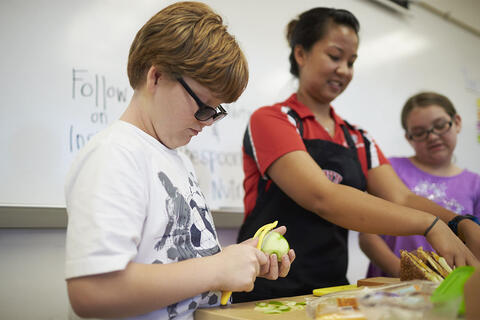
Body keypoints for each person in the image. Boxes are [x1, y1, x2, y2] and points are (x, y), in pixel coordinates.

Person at [64, 2, 295, 319]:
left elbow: (177, 267)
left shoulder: (177, 159)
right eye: (203, 106)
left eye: (217, 111)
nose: (207, 121)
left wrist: (237, 259)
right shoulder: (115, 154)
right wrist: (216, 268)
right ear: (156, 76)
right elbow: (91, 291)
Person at [233, 7, 480, 303]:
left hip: (330, 290)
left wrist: (459, 222)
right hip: (266, 291)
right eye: (335, 57)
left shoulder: (357, 138)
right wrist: (429, 225)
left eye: (351, 62)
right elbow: (321, 196)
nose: (345, 70)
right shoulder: (273, 119)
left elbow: (400, 197)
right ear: (301, 54)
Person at [359, 92, 480, 278]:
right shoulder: (388, 170)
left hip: (451, 288)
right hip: (391, 287)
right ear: (408, 137)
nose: (432, 137)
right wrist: (404, 272)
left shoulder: (475, 184)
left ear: (457, 122)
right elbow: (368, 237)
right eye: (419, 132)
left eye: (440, 126)